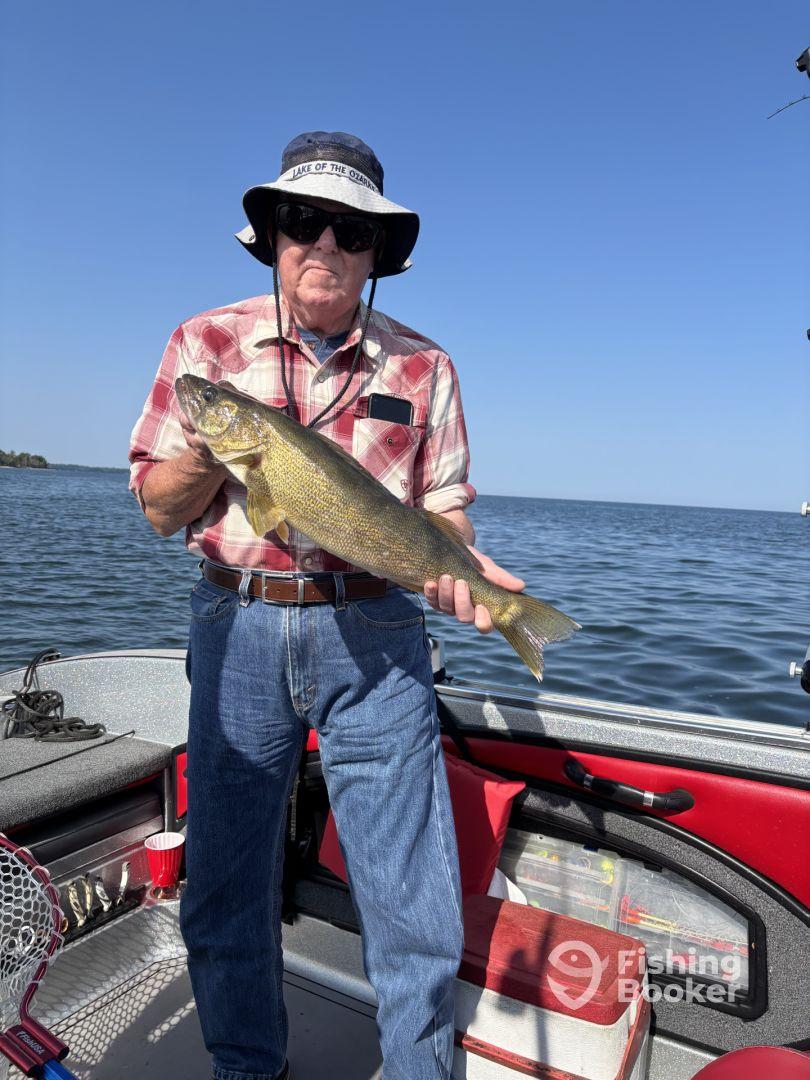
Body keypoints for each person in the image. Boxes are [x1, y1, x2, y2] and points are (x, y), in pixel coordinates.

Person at [129, 131, 525, 1080]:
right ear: (270, 235)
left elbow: (446, 514)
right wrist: (216, 446)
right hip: (237, 627)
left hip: (379, 633)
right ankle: (245, 1069)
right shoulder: (202, 343)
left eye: (351, 230)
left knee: (410, 895)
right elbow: (154, 507)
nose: (326, 245)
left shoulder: (426, 367)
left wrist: (465, 570)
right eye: (302, 222)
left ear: (378, 252)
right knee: (225, 884)